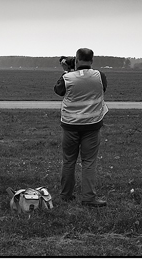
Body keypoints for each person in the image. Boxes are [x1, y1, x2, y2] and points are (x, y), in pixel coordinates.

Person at [54, 47, 108, 207]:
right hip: (92, 125)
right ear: (92, 61)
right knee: (89, 161)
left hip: (70, 125)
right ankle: (89, 198)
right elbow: (102, 88)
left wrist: (66, 71)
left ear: (76, 61)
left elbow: (58, 90)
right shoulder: (100, 76)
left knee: (69, 161)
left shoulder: (68, 77)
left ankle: (66, 195)